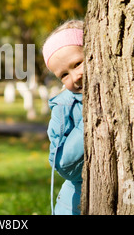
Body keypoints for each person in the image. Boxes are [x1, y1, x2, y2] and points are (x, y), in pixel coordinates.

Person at [42, 20, 84, 215]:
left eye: (78, 64)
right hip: (74, 206)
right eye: (64, 75)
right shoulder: (63, 108)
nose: (75, 77)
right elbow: (64, 166)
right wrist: (88, 124)